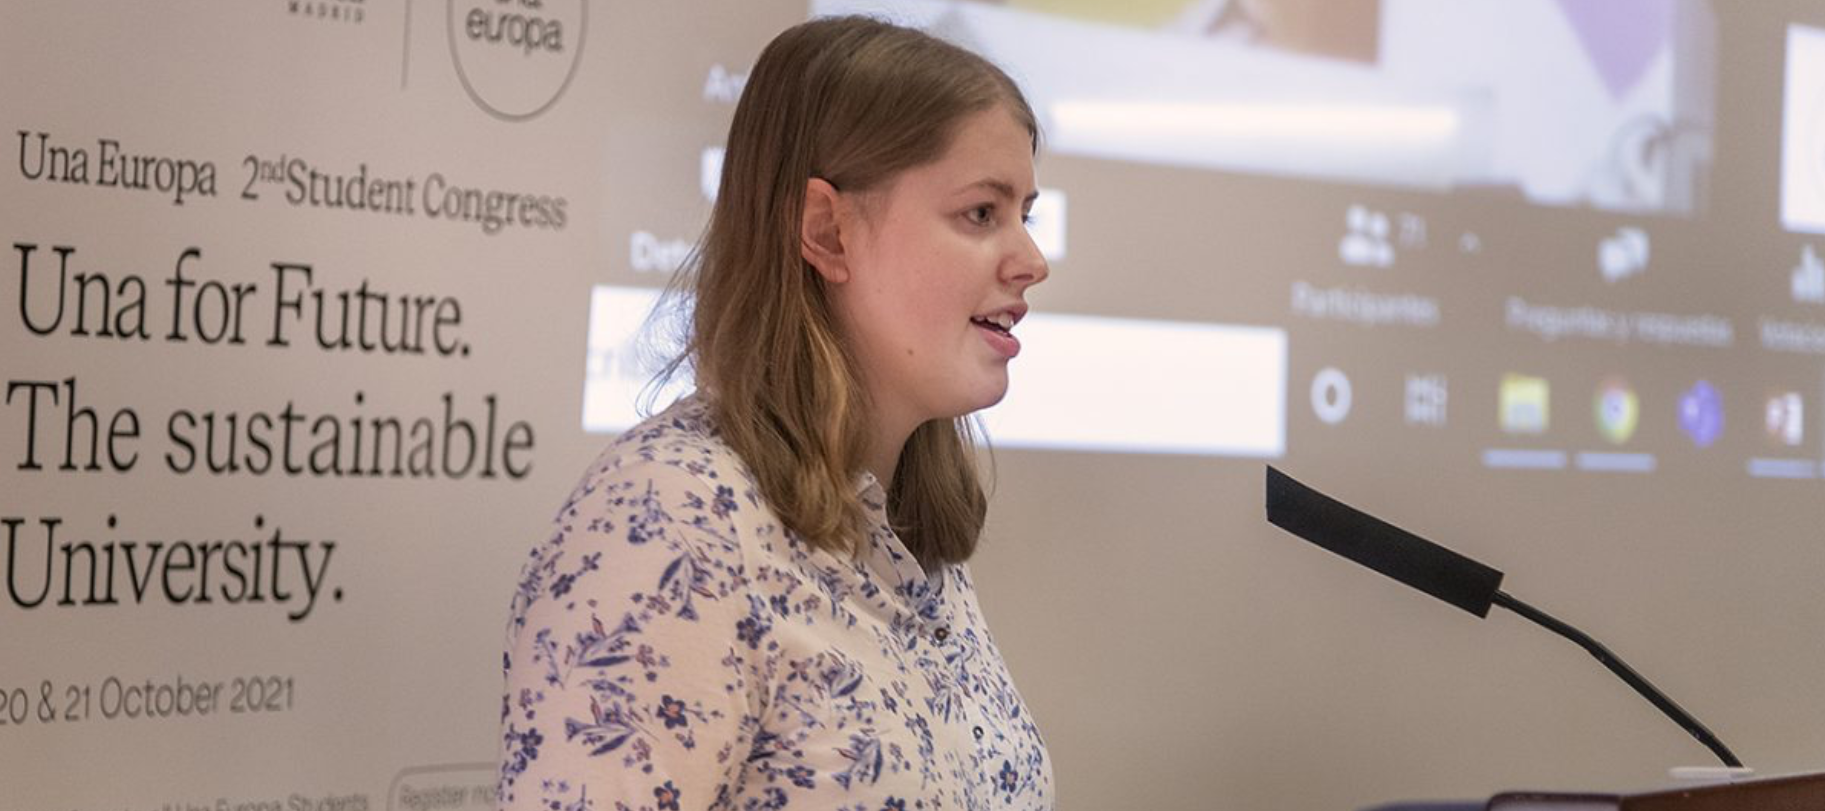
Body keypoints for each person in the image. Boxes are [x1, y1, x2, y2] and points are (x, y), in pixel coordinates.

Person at [497, 15, 1052, 811]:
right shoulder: (666, 523)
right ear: (825, 230)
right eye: (979, 214)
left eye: (1025, 214)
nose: (1031, 261)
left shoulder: (905, 539)